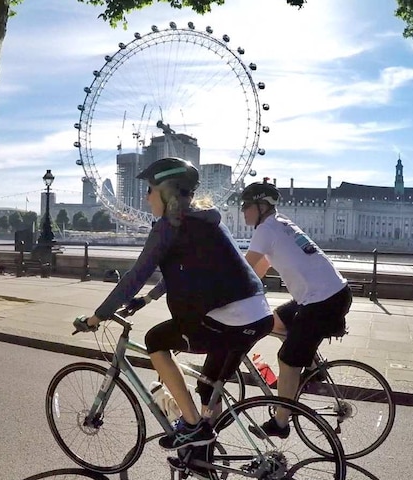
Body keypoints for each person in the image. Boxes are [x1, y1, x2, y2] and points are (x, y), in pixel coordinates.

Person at [76, 158, 273, 451]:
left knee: (155, 340)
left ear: (166, 193)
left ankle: (193, 425)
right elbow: (186, 269)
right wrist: (147, 299)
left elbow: (134, 277)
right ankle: (202, 454)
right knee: (208, 388)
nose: (146, 196)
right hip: (257, 314)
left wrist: (97, 317)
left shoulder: (168, 227)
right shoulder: (207, 219)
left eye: (150, 189)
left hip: (225, 318)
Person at [240, 181, 352, 437]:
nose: (243, 210)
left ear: (260, 206)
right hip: (330, 294)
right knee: (273, 320)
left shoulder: (266, 229)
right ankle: (310, 363)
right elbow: (259, 270)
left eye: (246, 205)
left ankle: (280, 423)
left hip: (322, 301)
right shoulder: (280, 224)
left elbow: (244, 269)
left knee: (287, 360)